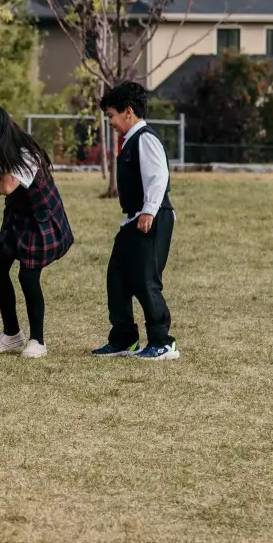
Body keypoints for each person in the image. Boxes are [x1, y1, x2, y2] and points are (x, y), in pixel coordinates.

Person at [0, 103, 74, 359]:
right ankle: (11, 334)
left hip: (40, 222)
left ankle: (38, 341)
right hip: (18, 218)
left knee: (28, 278)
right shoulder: (2, 151)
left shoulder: (25, 153)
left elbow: (7, 186)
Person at [92, 81, 179, 360]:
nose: (111, 122)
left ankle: (162, 342)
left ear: (128, 112)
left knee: (145, 280)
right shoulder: (130, 140)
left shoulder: (145, 138)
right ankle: (123, 339)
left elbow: (158, 176)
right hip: (133, 220)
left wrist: (148, 211)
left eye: (112, 116)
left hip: (151, 217)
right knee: (117, 277)